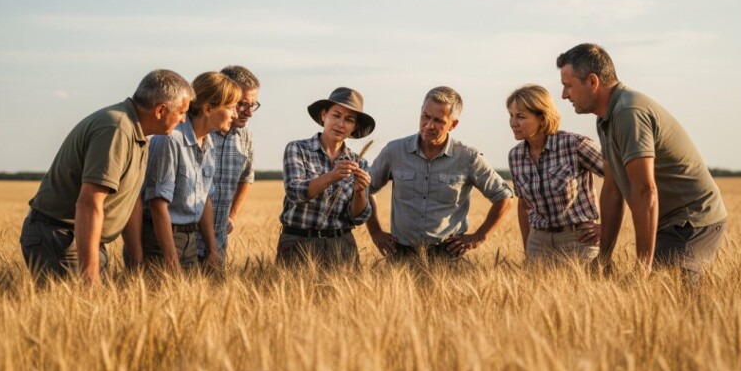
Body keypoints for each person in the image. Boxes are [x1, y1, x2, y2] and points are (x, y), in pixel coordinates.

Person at [557, 43, 727, 281]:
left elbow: (645, 189)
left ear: (593, 82)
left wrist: (642, 266)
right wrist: (604, 258)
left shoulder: (629, 112)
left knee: (667, 293)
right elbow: (612, 190)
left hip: (690, 221)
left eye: (568, 86)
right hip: (666, 223)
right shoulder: (605, 118)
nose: (564, 95)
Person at [20, 69, 194, 284]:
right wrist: (90, 274)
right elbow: (89, 202)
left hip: (81, 238)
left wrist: (136, 262)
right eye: (181, 112)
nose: (184, 119)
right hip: (62, 236)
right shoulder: (117, 129)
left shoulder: (138, 134)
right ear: (160, 110)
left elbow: (129, 202)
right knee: (81, 311)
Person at [366, 86, 513, 263]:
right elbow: (365, 188)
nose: (429, 125)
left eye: (438, 120)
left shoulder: (468, 157)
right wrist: (375, 232)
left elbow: (504, 196)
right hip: (400, 255)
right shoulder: (394, 151)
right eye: (425, 117)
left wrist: (479, 237)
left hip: (448, 257)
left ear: (453, 124)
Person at [128, 72, 240, 270]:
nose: (235, 115)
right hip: (159, 241)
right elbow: (157, 204)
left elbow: (204, 197)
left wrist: (212, 249)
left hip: (190, 241)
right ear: (208, 108)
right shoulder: (170, 139)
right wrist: (170, 260)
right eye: (231, 107)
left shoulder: (209, 142)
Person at [277, 87, 375, 267]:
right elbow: (295, 192)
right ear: (324, 116)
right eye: (336, 115)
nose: (341, 124)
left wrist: (360, 191)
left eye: (349, 120)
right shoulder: (298, 149)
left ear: (354, 127)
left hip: (341, 246)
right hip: (298, 243)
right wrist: (332, 176)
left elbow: (358, 217)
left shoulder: (359, 162)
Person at [506, 84, 604, 263]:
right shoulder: (515, 156)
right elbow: (524, 204)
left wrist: (606, 229)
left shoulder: (575, 145)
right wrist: (529, 246)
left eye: (521, 116)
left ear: (542, 118)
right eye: (511, 116)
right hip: (538, 243)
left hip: (578, 240)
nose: (513, 123)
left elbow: (624, 178)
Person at [197, 65, 259, 263]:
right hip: (186, 240)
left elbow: (246, 178)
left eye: (254, 105)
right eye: (241, 104)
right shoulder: (199, 132)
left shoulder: (246, 136)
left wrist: (232, 216)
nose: (249, 112)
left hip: (219, 240)